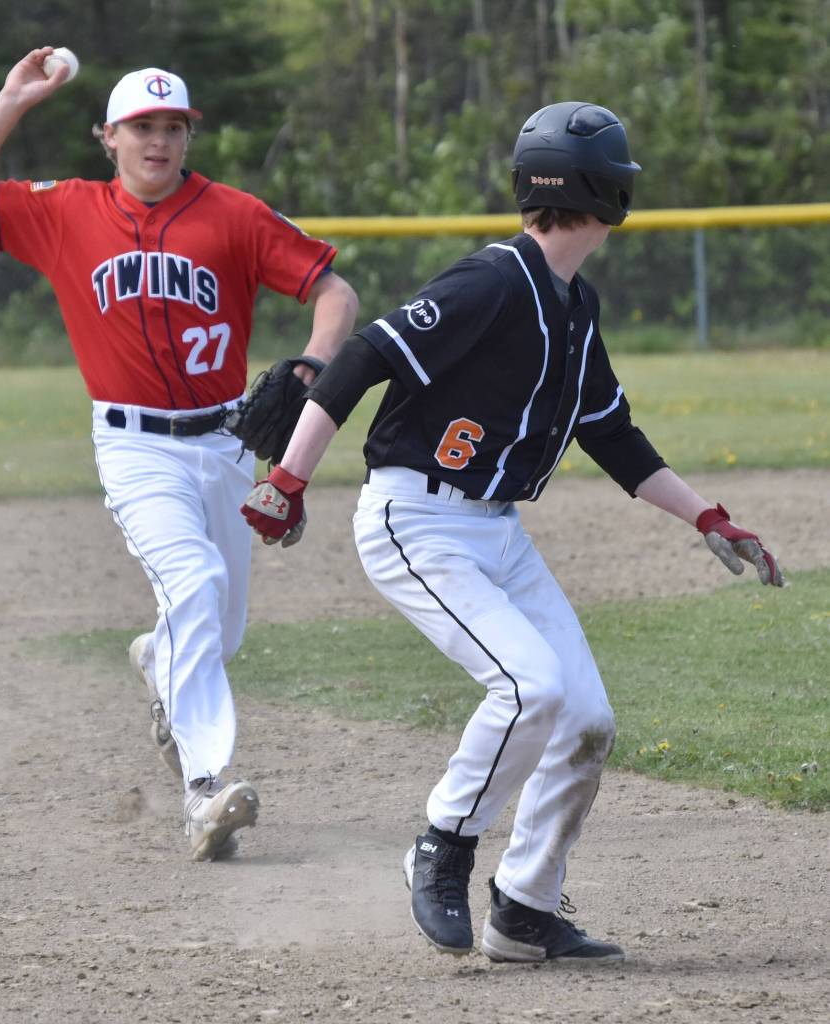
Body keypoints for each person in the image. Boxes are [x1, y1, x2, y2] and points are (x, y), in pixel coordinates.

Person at [241, 101, 782, 960]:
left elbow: (610, 432)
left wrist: (708, 518)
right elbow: (363, 357)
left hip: (495, 533)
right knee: (530, 688)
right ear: (602, 192)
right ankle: (442, 843)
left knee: (586, 718)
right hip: (415, 520)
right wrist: (286, 479)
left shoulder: (574, 301)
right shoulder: (490, 282)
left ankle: (524, 910)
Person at [0, 49, 358, 862]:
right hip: (134, 448)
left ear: (187, 137)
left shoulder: (232, 213)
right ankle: (205, 790)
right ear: (108, 138)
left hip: (227, 443)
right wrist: (12, 99)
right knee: (191, 583)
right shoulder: (65, 212)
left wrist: (314, 362)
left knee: (215, 634)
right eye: (140, 128)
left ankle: (160, 658)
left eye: (172, 127)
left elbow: (334, 292)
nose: (158, 141)